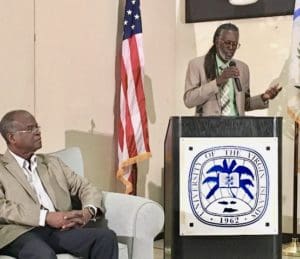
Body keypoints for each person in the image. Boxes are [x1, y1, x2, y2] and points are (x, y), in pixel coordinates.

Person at [0, 110, 118, 259]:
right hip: (19, 232)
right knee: (43, 255)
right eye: (30, 129)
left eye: (37, 127)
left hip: (58, 229)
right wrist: (45, 217)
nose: (38, 132)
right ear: (12, 137)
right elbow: (2, 207)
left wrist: (88, 212)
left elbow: (86, 187)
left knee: (105, 237)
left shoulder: (52, 162)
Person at [184, 23, 282, 116]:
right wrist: (217, 82)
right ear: (216, 42)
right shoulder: (197, 65)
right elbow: (189, 100)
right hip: (208, 130)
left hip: (237, 129)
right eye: (227, 43)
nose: (231, 47)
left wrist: (264, 97)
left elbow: (244, 104)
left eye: (235, 44)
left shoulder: (243, 68)